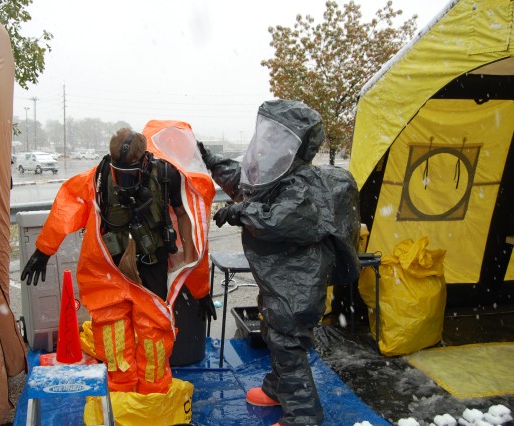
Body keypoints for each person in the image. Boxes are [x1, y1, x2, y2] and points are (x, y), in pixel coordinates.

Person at [198, 100, 360, 426]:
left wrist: (239, 212)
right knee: (274, 334)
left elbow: (280, 219)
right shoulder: (273, 176)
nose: (268, 144)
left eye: (277, 137)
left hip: (299, 283)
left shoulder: (305, 186)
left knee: (288, 345)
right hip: (279, 281)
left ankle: (304, 416)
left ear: (296, 145)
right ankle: (276, 387)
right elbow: (243, 181)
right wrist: (210, 159)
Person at [21, 126, 216, 394]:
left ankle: (154, 393)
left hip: (151, 264)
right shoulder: (99, 178)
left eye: (130, 174)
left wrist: (199, 286)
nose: (124, 181)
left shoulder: (166, 175)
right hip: (110, 268)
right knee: (112, 333)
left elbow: (189, 221)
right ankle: (120, 392)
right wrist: (44, 250)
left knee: (154, 331)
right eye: (119, 174)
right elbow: (68, 205)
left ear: (145, 160)